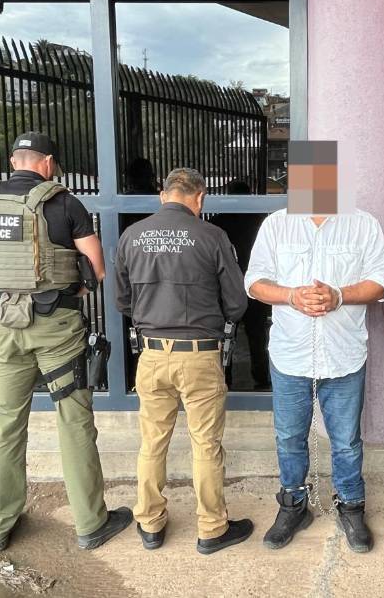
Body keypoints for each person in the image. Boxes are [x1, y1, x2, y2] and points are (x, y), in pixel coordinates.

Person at [0, 131, 132, 552]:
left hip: (2, 327)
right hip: (56, 326)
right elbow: (96, 269)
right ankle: (91, 524)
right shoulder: (64, 203)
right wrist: (70, 293)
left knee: (7, 423)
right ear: (48, 163)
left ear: (13, 161)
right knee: (74, 421)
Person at [115, 167, 252, 554]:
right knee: (206, 444)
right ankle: (211, 528)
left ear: (163, 195)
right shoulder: (212, 236)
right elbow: (237, 304)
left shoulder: (132, 236)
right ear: (200, 197)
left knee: (151, 443)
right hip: (199, 356)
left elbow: (122, 301)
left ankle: (150, 523)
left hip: (152, 354)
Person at [244, 206, 384, 553]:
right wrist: (291, 295)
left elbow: (382, 281)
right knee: (289, 437)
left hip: (343, 354)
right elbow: (254, 282)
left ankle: (351, 506)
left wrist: (339, 295)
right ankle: (293, 507)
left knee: (346, 441)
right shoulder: (277, 224)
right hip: (290, 354)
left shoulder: (362, 224)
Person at [211, 180, 271, 390]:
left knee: (226, 337)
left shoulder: (216, 223)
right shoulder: (261, 222)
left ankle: (225, 379)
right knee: (257, 336)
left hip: (226, 288)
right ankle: (262, 379)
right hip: (257, 287)